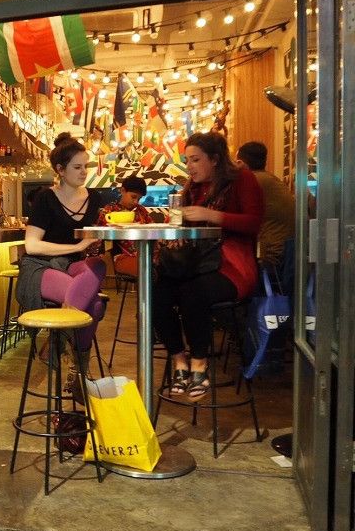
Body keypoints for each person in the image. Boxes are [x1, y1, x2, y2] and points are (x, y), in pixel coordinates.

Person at [153, 132, 263, 400]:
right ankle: (179, 360)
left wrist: (211, 215)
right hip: (196, 264)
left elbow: (253, 222)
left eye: (195, 160)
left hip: (232, 266)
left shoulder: (241, 179)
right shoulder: (191, 188)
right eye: (187, 161)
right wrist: (177, 236)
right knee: (156, 292)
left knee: (193, 292)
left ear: (214, 159)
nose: (189, 167)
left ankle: (200, 365)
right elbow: (182, 227)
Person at [16, 133, 107, 398]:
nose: (84, 172)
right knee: (94, 305)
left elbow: (94, 240)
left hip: (72, 266)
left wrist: (97, 241)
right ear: (60, 170)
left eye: (86, 166)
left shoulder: (94, 199)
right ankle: (77, 373)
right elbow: (32, 245)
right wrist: (77, 247)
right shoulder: (46, 198)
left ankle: (57, 343)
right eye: (77, 167)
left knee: (98, 266)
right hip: (41, 266)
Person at [235, 141, 295, 271]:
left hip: (272, 258)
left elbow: (235, 215)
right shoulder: (269, 179)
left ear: (240, 163)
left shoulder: (252, 181)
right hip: (288, 254)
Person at [97, 176, 153, 276]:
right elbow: (100, 235)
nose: (136, 202)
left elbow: (153, 229)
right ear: (122, 191)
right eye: (133, 197)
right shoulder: (110, 210)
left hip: (145, 254)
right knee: (148, 269)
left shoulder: (141, 211)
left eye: (139, 199)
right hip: (121, 256)